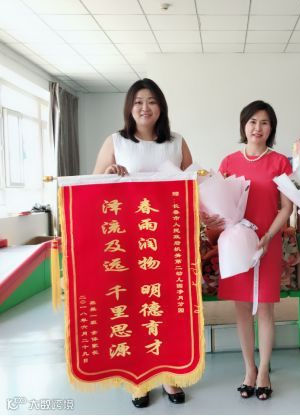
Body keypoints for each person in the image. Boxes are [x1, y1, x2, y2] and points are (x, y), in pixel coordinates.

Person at [92, 78, 191, 408]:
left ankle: (169, 375)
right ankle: (139, 380)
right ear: (129, 108)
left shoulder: (176, 142)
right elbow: (92, 186)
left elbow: (193, 185)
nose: (145, 108)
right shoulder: (116, 142)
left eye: (151, 101)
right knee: (135, 306)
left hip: (168, 240)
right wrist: (109, 173)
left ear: (161, 106)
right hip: (129, 240)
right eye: (138, 102)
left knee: (167, 307)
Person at [217, 100, 293, 401]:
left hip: (267, 243)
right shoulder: (228, 162)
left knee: (264, 308)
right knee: (241, 307)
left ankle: (264, 372)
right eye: (252, 122)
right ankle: (249, 369)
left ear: (271, 128)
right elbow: (219, 204)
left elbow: (286, 207)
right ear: (243, 126)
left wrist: (269, 235)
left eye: (264, 122)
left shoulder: (280, 163)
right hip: (236, 244)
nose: (257, 128)